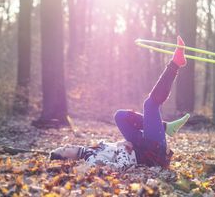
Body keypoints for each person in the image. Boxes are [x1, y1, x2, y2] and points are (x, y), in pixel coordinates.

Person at [49, 36, 190, 171]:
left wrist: (122, 146)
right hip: (151, 155)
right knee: (150, 105)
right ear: (67, 159)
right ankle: (175, 63)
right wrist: (122, 147)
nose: (67, 145)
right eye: (64, 149)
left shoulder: (92, 149)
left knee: (120, 116)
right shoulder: (90, 160)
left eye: (63, 146)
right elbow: (120, 167)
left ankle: (165, 127)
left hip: (142, 146)